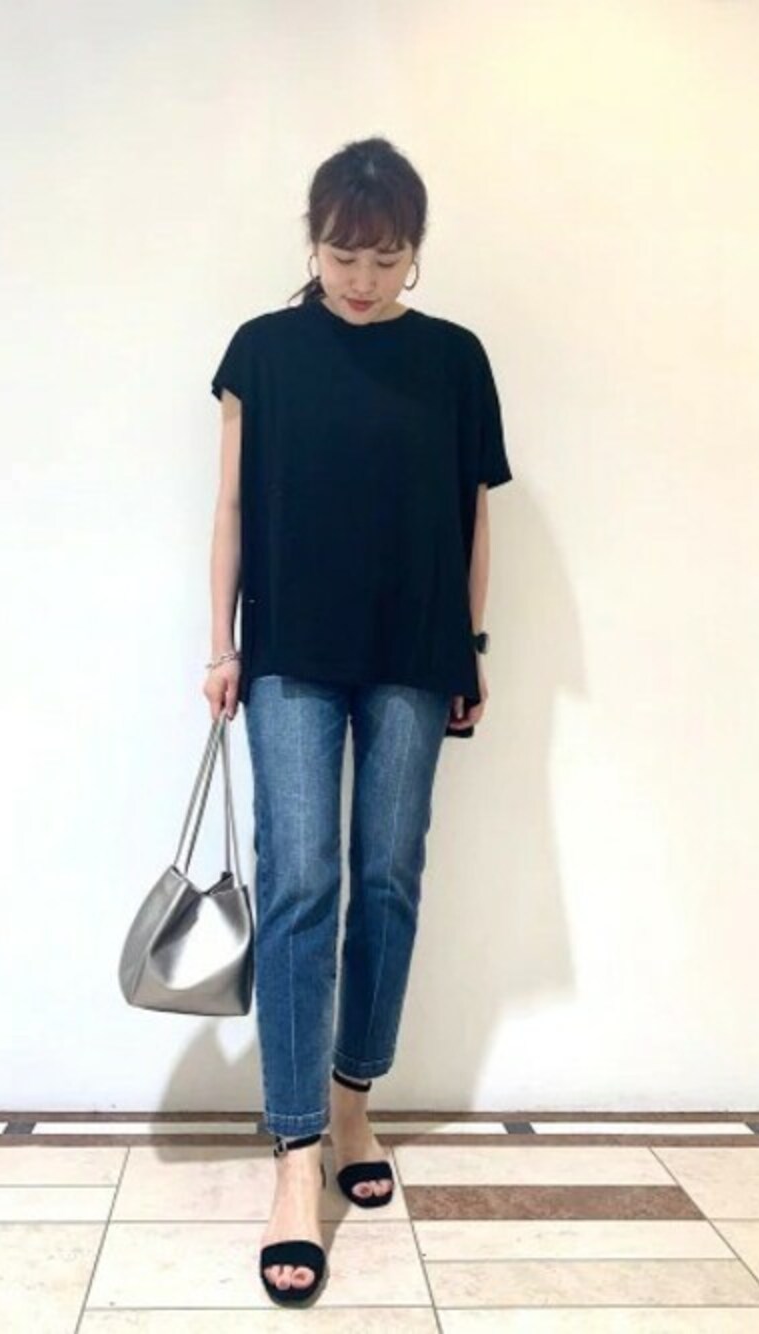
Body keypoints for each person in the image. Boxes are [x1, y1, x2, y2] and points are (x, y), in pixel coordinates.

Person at [204, 136, 513, 1307]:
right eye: (343, 255)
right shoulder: (263, 350)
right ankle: (295, 1157)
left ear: (414, 254)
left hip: (414, 651)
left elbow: (473, 513)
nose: (363, 280)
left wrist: (471, 646)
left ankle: (350, 1104)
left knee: (386, 876)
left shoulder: (454, 358)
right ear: (313, 241)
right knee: (301, 879)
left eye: (386, 260)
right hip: (290, 649)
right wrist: (221, 643)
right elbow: (231, 503)